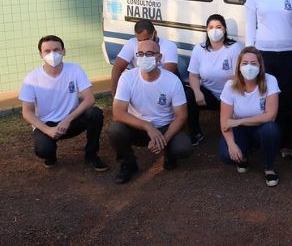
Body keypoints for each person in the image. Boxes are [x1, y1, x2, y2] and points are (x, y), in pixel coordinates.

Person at [244, 0, 292, 161]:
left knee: (286, 100)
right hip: (263, 55)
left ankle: (285, 142)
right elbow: (250, 27)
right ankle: (263, 138)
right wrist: (250, 54)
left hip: (289, 54)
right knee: (263, 98)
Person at [18, 35, 108, 171]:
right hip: (47, 124)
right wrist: (48, 130)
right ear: (40, 54)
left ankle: (91, 154)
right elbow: (27, 111)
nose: (52, 54)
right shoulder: (31, 78)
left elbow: (90, 99)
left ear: (63, 51)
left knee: (95, 114)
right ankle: (50, 154)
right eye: (47, 51)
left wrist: (68, 119)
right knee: (44, 150)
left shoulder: (75, 70)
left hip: (71, 121)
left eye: (56, 49)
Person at [108, 39, 192, 184]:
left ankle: (168, 153)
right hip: (138, 127)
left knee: (183, 147)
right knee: (115, 130)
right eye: (140, 54)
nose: (144, 58)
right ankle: (129, 163)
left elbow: (181, 116)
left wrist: (164, 139)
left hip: (164, 127)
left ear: (159, 57)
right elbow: (118, 113)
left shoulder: (172, 80)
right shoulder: (127, 78)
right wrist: (148, 126)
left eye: (149, 54)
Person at [218, 46, 281, 187]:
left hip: (261, 128)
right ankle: (243, 157)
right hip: (240, 130)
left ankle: (269, 167)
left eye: (253, 63)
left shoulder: (270, 80)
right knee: (226, 155)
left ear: (260, 66)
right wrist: (231, 145)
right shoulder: (230, 86)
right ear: (239, 66)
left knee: (271, 129)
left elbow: (270, 116)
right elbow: (225, 121)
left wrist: (239, 121)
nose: (249, 67)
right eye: (245, 63)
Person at [185, 14, 242, 146]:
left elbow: (239, 78)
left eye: (218, 27)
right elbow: (193, 75)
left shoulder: (234, 48)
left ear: (225, 29)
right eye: (211, 27)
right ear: (206, 30)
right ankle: (195, 133)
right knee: (189, 96)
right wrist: (197, 91)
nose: (214, 30)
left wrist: (228, 98)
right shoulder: (199, 49)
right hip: (209, 95)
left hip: (230, 96)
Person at [110, 19, 178, 96]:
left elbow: (168, 76)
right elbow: (117, 68)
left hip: (161, 87)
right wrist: (115, 94)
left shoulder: (169, 46)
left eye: (146, 39)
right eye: (139, 40)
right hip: (139, 85)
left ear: (154, 34)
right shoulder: (132, 43)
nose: (143, 44)